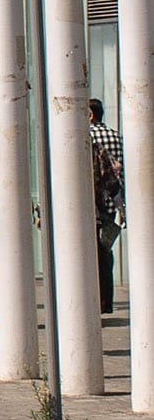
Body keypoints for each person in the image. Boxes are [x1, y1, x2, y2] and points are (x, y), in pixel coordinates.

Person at [91, 98, 124, 316]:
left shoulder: (87, 138)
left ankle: (92, 299)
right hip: (109, 203)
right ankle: (106, 300)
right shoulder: (115, 135)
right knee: (105, 251)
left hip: (90, 205)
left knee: (87, 254)